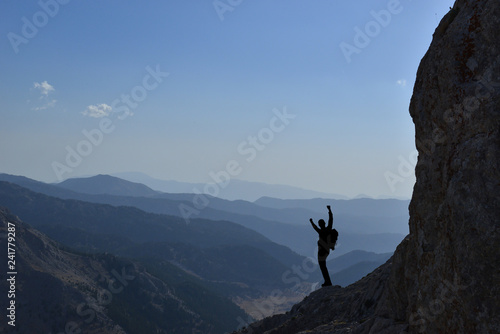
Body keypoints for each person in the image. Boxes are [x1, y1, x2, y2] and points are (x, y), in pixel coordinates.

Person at [309, 205, 334, 287]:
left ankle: (328, 282)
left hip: (321, 251)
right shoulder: (328, 228)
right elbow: (331, 219)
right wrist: (329, 210)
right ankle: (327, 281)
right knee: (324, 267)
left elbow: (314, 227)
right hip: (327, 251)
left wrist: (311, 222)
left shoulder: (321, 231)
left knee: (323, 267)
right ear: (324, 223)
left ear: (320, 225)